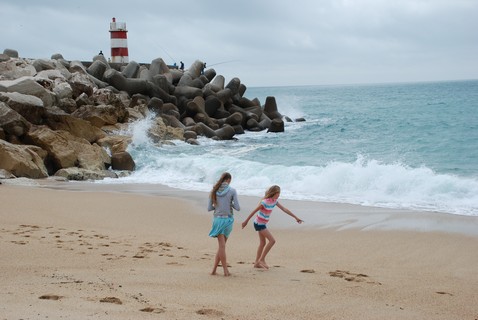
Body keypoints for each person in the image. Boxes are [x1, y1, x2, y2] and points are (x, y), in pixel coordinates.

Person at [242, 185, 303, 269]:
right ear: (274, 193)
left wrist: (295, 217)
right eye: (278, 193)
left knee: (262, 243)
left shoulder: (274, 201)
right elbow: (254, 211)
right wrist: (246, 221)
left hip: (261, 223)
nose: (279, 195)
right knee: (272, 241)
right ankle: (262, 259)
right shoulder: (265, 202)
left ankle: (256, 263)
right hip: (259, 223)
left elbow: (284, 209)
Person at [208, 172, 240, 276]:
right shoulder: (232, 191)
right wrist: (229, 204)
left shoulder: (214, 190)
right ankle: (225, 271)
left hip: (217, 220)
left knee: (221, 246)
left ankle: (214, 270)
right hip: (228, 221)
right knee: (222, 246)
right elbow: (238, 208)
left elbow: (209, 208)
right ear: (229, 180)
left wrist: (217, 207)